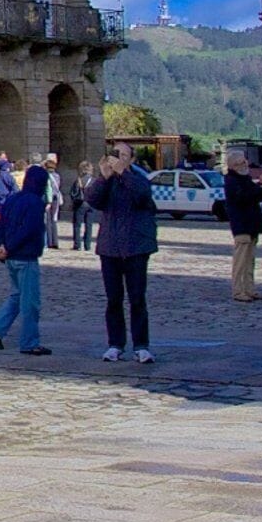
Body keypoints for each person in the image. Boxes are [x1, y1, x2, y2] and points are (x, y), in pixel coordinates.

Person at [92, 146, 160, 363]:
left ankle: (141, 345)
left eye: (123, 156)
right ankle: (115, 344)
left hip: (136, 247)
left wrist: (124, 173)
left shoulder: (139, 178)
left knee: (137, 298)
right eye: (115, 155)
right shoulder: (107, 180)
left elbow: (143, 196)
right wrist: (103, 178)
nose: (117, 159)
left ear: (131, 159)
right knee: (113, 299)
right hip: (110, 247)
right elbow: (92, 199)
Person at [0, 161, 51, 356]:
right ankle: (29, 342)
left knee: (16, 296)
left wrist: (0, 246)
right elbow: (28, 230)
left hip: (10, 256)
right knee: (30, 302)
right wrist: (9, 247)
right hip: (25, 256)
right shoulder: (35, 202)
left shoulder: (13, 199)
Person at [220, 153, 262, 301]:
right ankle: (238, 290)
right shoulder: (231, 180)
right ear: (234, 166)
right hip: (241, 224)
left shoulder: (245, 178)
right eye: (241, 163)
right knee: (240, 261)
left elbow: (257, 195)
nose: (245, 165)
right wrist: (259, 185)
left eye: (245, 162)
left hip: (252, 224)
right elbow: (243, 198)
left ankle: (249, 289)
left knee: (250, 260)